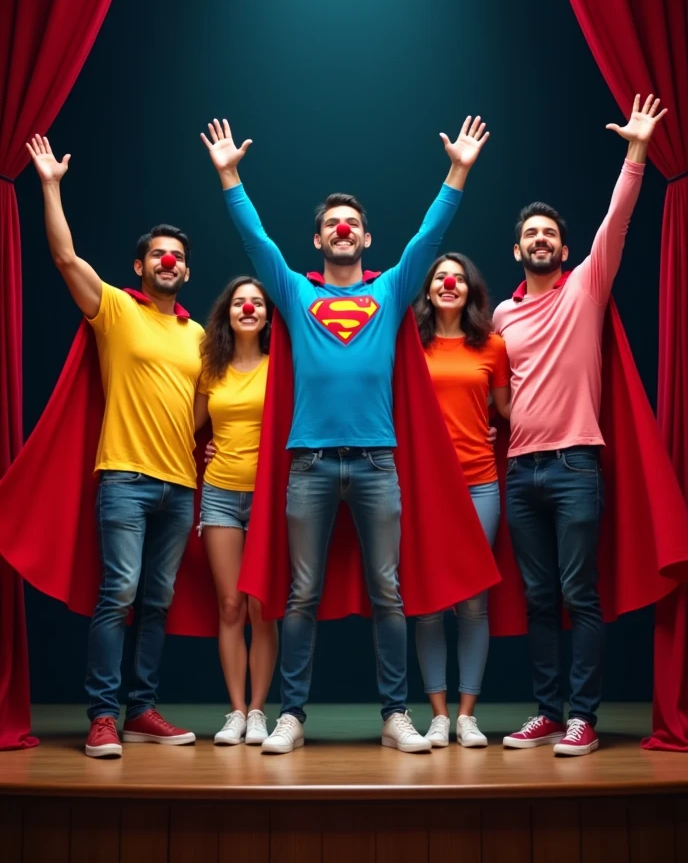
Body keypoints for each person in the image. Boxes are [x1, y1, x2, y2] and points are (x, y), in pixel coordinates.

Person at [201, 114, 489, 754]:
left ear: (365, 237)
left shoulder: (391, 288)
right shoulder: (292, 292)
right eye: (332, 223)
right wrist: (230, 178)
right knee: (301, 594)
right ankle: (292, 716)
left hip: (377, 464)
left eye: (352, 223)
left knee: (390, 592)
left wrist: (457, 172)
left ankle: (395, 715)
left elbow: (430, 234)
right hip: (308, 465)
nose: (342, 229)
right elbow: (257, 244)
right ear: (317, 239)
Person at [493, 95, 668, 756]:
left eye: (549, 235)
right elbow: (497, 394)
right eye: (530, 236)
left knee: (578, 593)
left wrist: (637, 152)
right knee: (539, 597)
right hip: (521, 470)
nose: (540, 241)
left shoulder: (584, 288)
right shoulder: (502, 319)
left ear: (563, 249)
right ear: (517, 250)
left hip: (574, 467)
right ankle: (545, 711)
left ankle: (583, 720)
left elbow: (616, 224)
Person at [26, 134, 203, 759]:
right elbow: (65, 257)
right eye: (157, 254)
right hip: (124, 479)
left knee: (157, 601)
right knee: (119, 595)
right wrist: (50, 184)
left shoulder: (199, 335)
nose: (167, 262)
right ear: (140, 267)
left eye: (176, 256)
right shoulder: (117, 312)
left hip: (180, 488)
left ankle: (141, 709)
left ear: (186, 270)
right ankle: (102, 715)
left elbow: (206, 411)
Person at [413, 254, 509, 748]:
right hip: (426, 487)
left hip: (479, 483)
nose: (449, 284)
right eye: (439, 278)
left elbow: (509, 410)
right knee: (429, 604)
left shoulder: (492, 346)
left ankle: (468, 715)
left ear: (469, 290)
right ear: (428, 291)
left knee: (473, 601)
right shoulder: (409, 344)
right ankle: (438, 714)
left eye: (457, 279)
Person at [194, 276, 278, 746]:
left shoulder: (280, 365)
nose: (248, 308)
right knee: (230, 606)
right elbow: (188, 425)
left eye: (257, 303)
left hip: (268, 498)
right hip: (221, 494)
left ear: (267, 315)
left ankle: (261, 711)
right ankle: (236, 711)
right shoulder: (212, 369)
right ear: (227, 313)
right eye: (239, 303)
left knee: (261, 607)